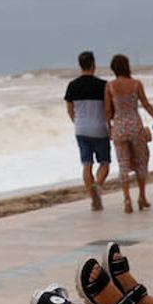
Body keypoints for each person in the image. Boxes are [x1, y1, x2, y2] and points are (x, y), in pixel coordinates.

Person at [104, 54, 153, 214]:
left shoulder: (109, 87)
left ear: (113, 69)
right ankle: (142, 197)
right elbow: (146, 105)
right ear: (127, 66)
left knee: (123, 164)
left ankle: (126, 199)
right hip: (135, 127)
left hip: (119, 128)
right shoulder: (136, 84)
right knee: (141, 160)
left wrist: (109, 129)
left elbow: (107, 111)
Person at [64, 51, 113, 211]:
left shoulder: (72, 85)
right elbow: (108, 110)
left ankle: (93, 196)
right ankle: (97, 186)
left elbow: (70, 110)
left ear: (80, 65)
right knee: (104, 163)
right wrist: (110, 125)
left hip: (81, 129)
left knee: (87, 165)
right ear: (93, 64)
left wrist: (77, 123)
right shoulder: (103, 85)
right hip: (100, 129)